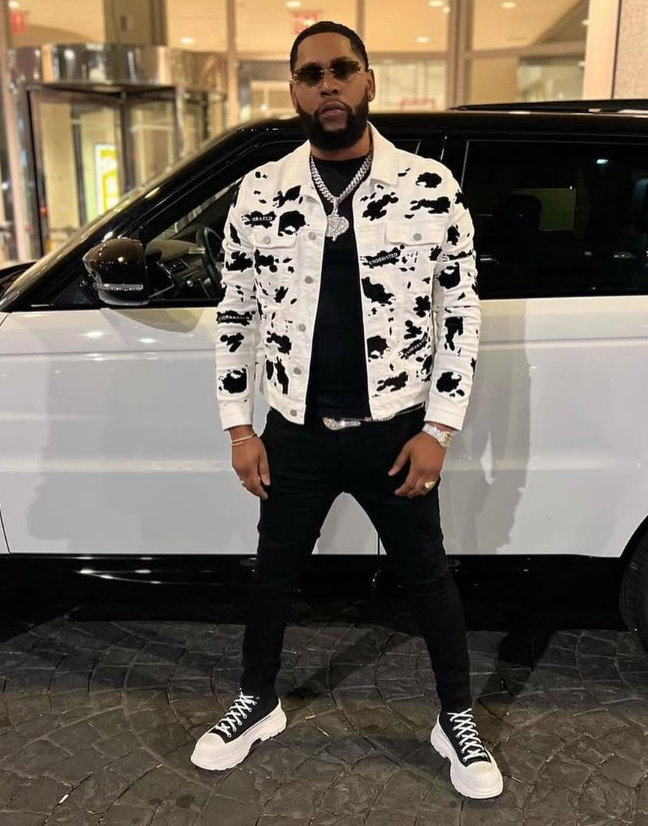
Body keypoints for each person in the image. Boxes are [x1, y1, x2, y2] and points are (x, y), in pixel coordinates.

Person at [191, 20, 503, 800]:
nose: (327, 84)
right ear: (295, 91)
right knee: (273, 573)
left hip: (395, 431)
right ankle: (257, 700)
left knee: (428, 577)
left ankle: (455, 717)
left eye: (341, 69)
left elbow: (460, 315)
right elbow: (235, 313)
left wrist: (439, 429)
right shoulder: (261, 192)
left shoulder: (429, 186)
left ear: (368, 81)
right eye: (310, 74)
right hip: (293, 431)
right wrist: (239, 426)